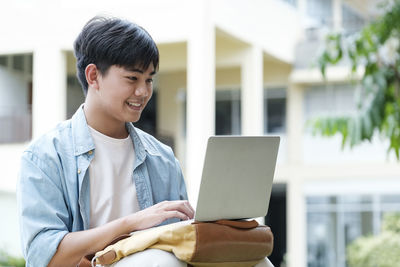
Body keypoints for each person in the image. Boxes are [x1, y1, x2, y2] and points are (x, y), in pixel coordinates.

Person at [17, 16, 194, 267]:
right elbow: (43, 256)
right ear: (93, 76)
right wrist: (131, 223)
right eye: (132, 78)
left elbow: (182, 245)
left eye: (149, 79)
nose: (143, 92)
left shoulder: (163, 158)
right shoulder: (45, 156)